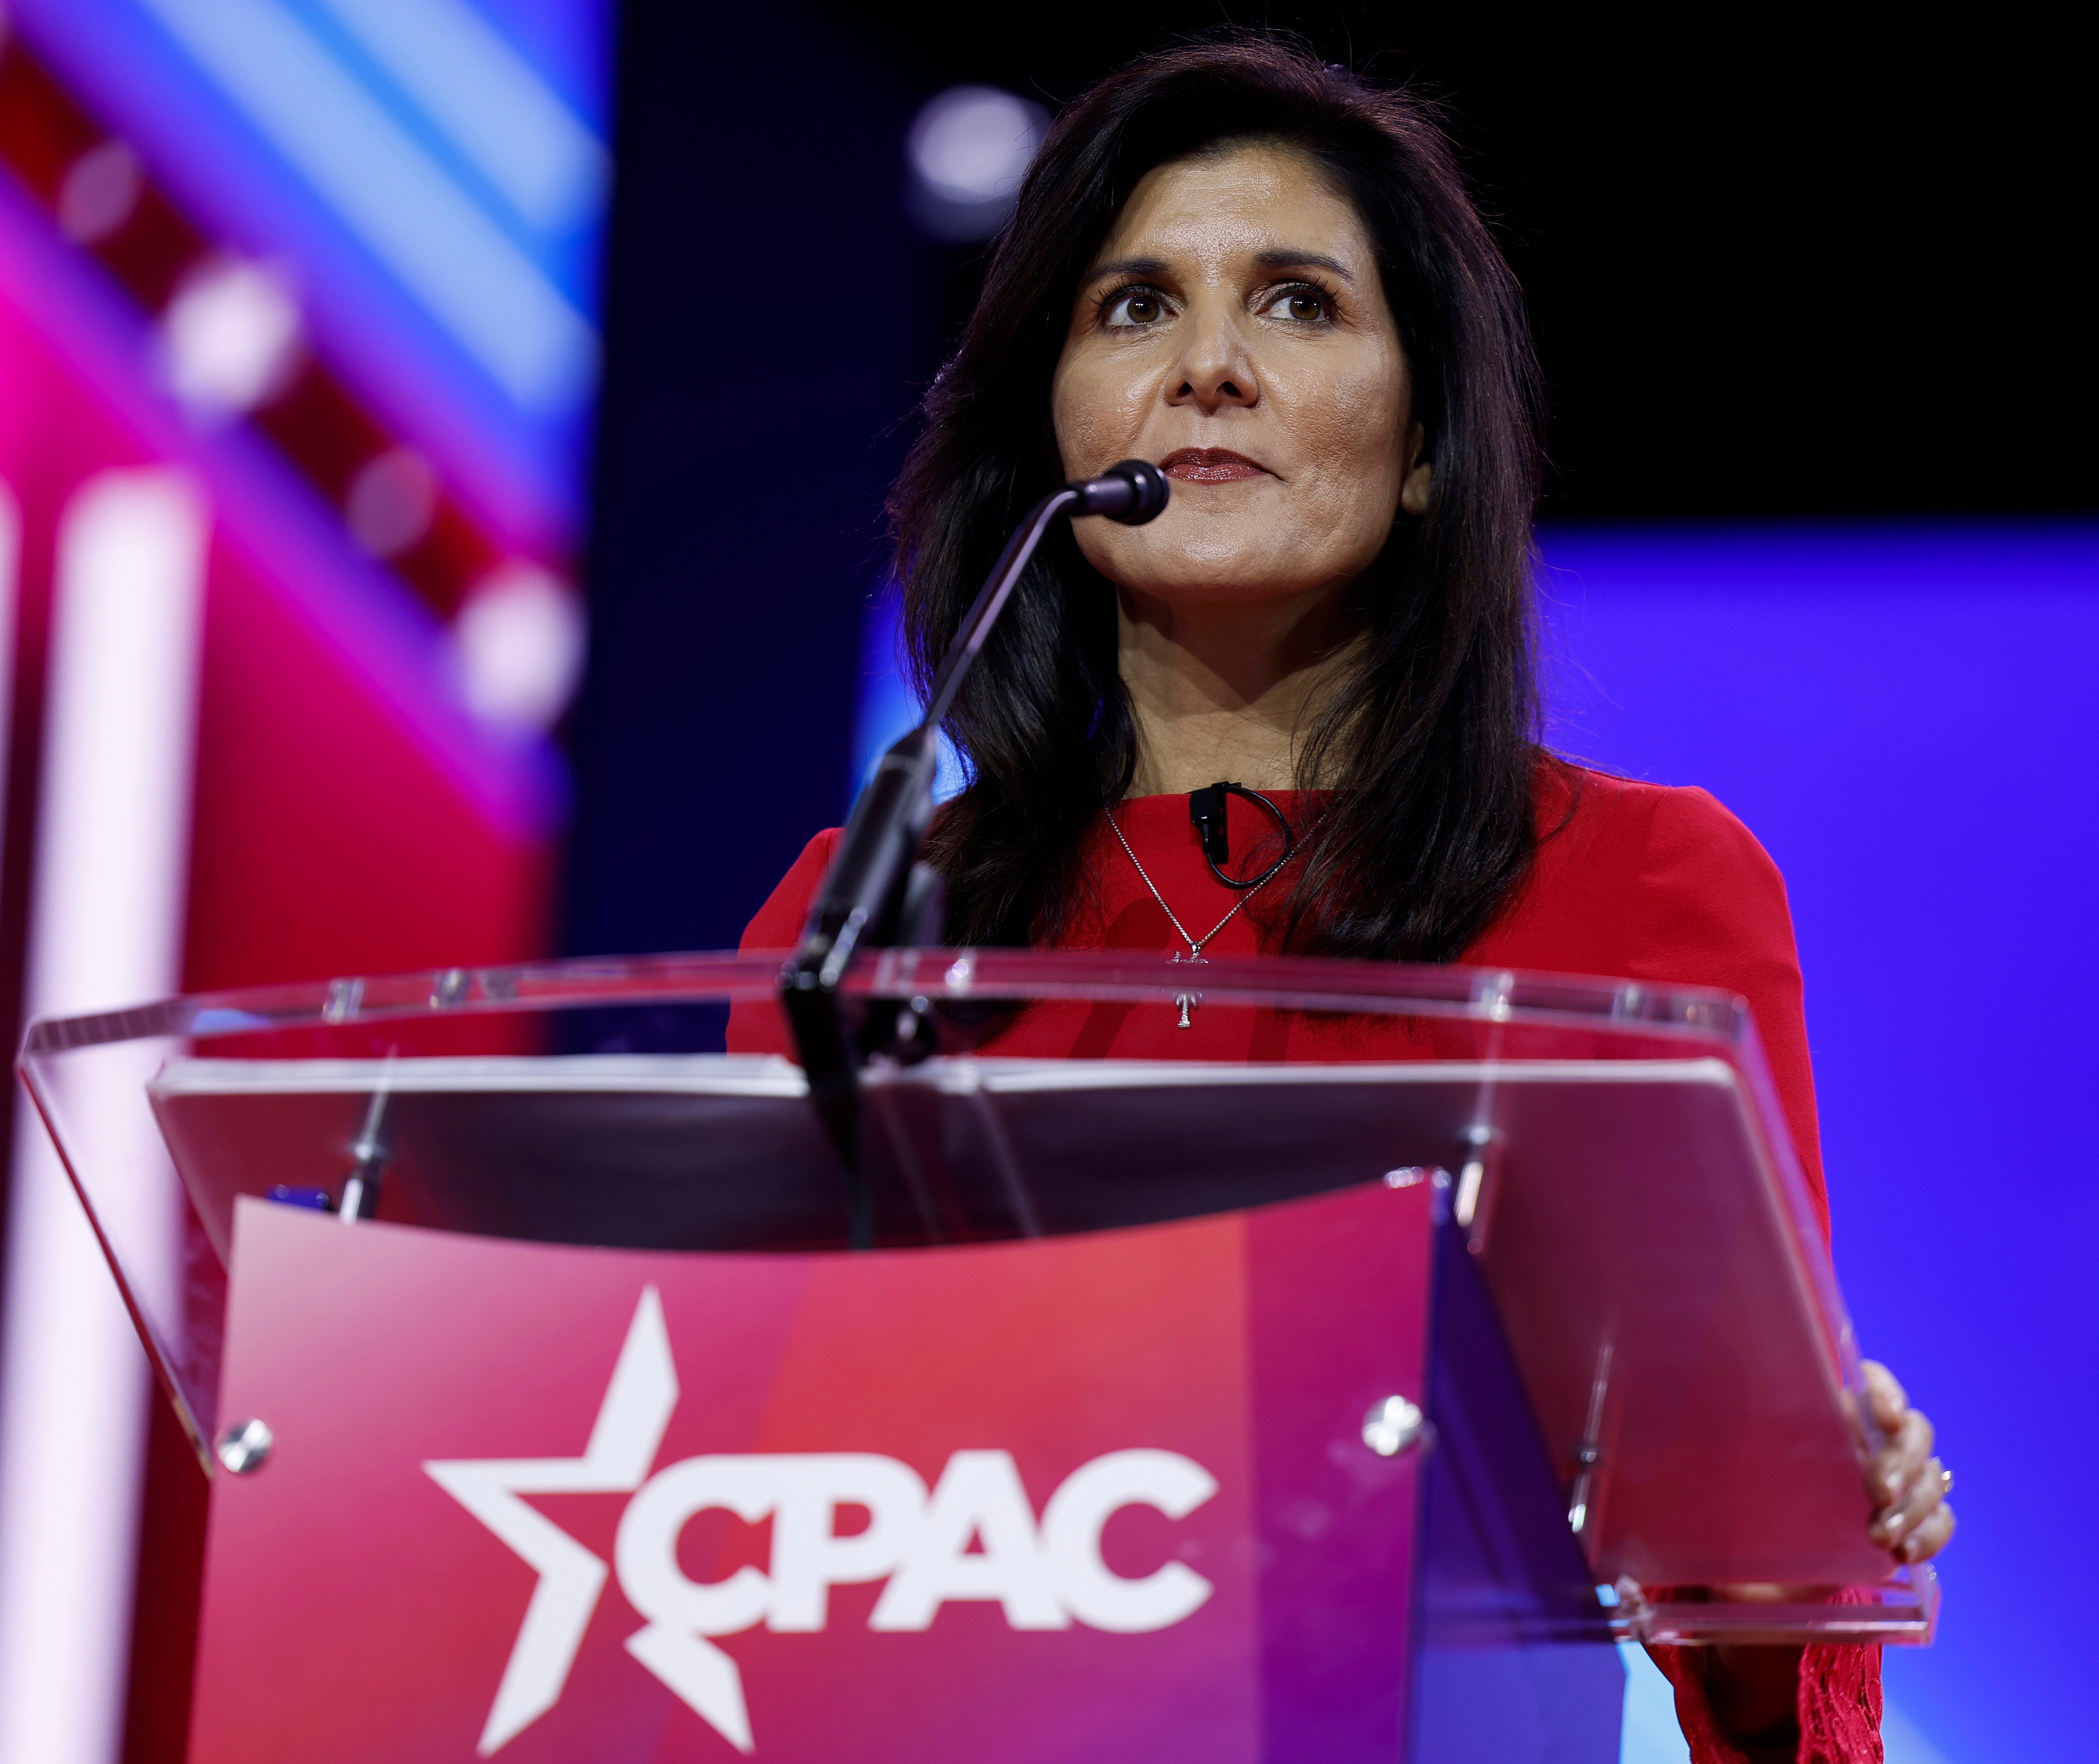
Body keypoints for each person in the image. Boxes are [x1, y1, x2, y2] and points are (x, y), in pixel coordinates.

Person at [734, 37, 1952, 1763]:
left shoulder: (1638, 888)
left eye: (1298, 304)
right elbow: (749, 1465)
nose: (1208, 367)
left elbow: (1748, 1604)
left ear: (1430, 447)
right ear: (1055, 427)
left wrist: (1810, 1501)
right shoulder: (860, 921)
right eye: (1134, 307)